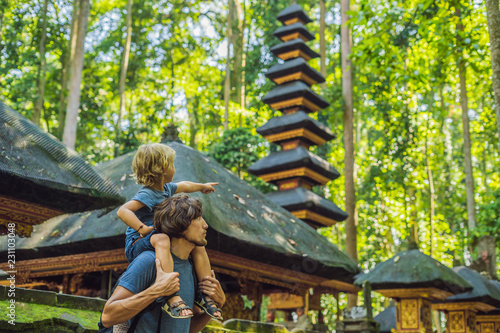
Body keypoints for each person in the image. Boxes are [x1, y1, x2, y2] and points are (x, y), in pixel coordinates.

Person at [116, 143, 222, 319]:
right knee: (163, 239)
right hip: (138, 242)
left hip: (156, 235)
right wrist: (141, 228)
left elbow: (185, 185)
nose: (174, 168)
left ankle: (205, 293)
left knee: (197, 245)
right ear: (161, 168)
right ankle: (170, 294)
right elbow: (123, 211)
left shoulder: (166, 188)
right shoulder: (147, 194)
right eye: (172, 164)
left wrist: (201, 186)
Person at [102, 195, 225, 332]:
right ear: (180, 224)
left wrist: (217, 304)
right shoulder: (149, 261)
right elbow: (108, 317)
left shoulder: (193, 269)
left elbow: (187, 328)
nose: (205, 225)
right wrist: (155, 292)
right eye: (198, 218)